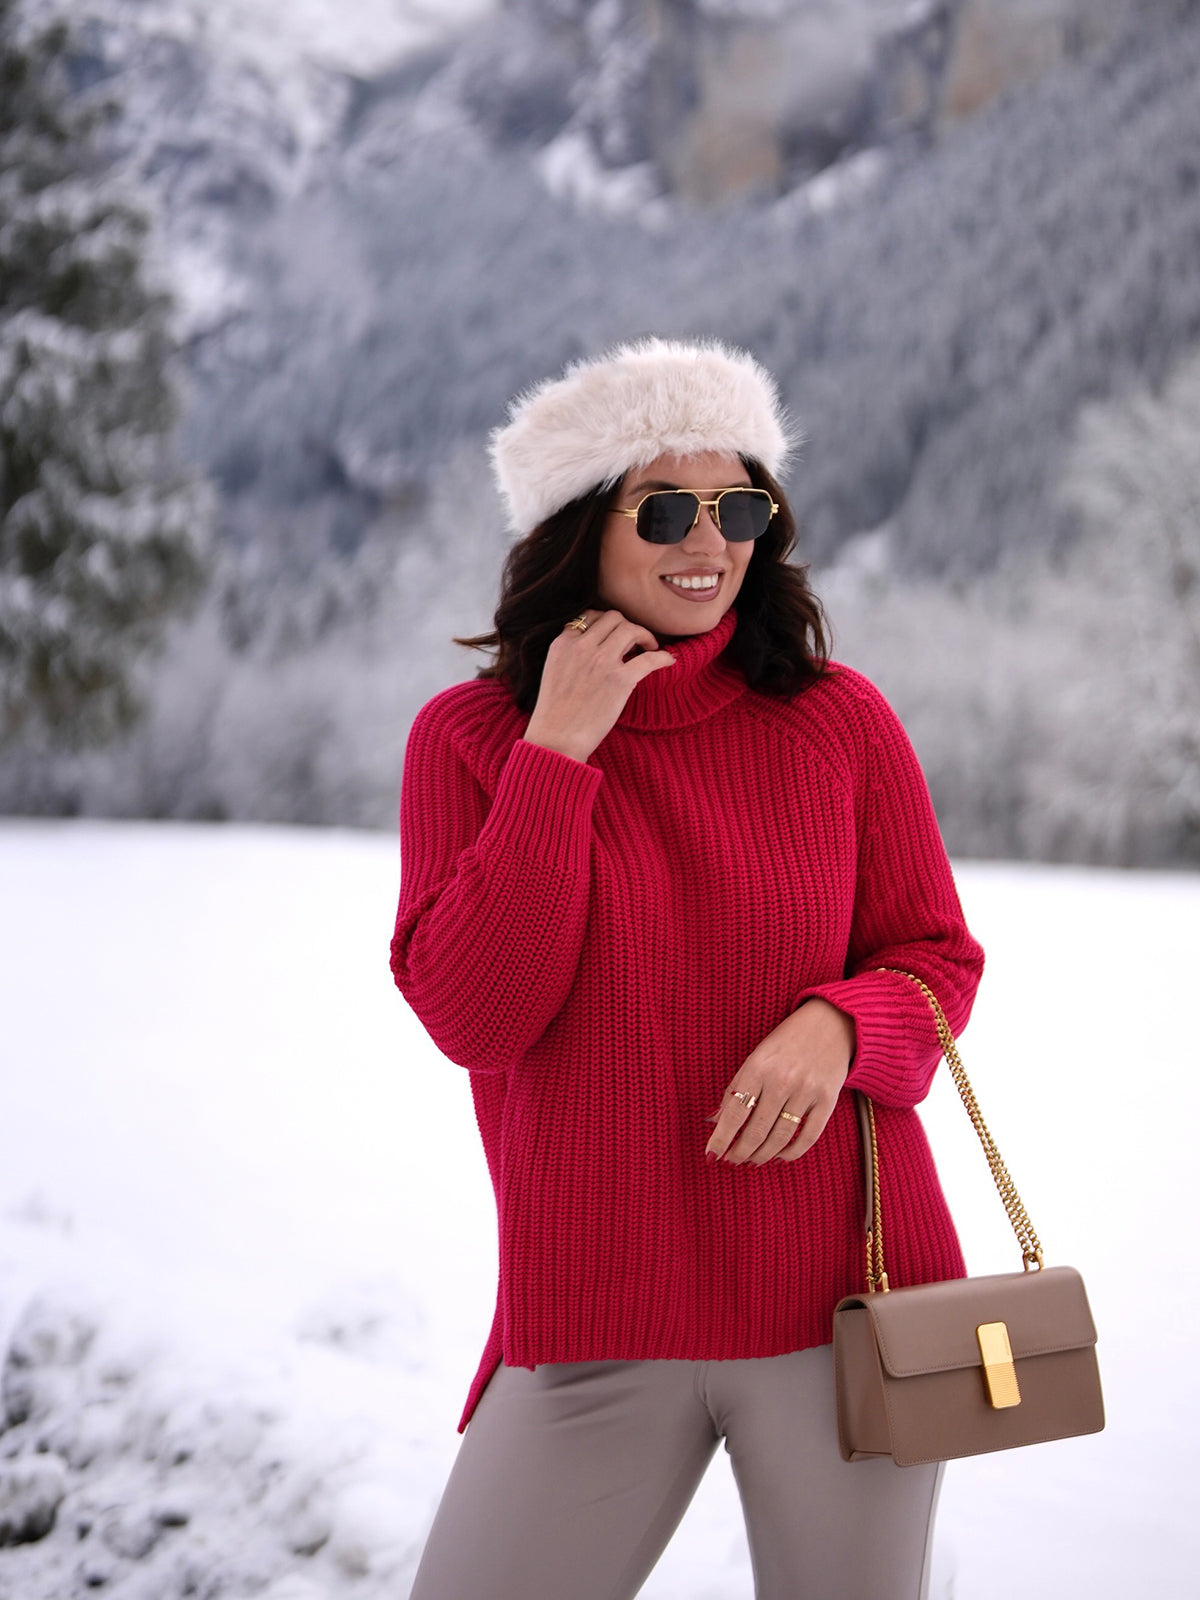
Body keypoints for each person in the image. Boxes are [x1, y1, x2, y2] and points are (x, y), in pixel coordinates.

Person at [389, 337, 984, 1600]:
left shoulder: (840, 722)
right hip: (593, 1317)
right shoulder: (472, 741)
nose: (705, 540)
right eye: (663, 507)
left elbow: (937, 957)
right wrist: (556, 754)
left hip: (845, 1309)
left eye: (739, 505)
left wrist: (841, 1023)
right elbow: (477, 1016)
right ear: (575, 529)